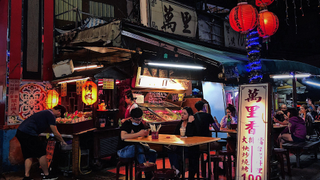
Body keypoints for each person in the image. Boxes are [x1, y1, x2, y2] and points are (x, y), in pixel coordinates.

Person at [15, 105, 67, 180]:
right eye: (59, 115)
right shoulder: (51, 115)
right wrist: (62, 141)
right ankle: (47, 175)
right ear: (59, 111)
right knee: (41, 154)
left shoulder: (46, 112)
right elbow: (55, 132)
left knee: (28, 155)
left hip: (21, 132)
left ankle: (27, 176)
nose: (58, 117)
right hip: (29, 133)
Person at [117, 108, 157, 179]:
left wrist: (145, 134)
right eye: (137, 120)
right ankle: (147, 174)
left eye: (140, 119)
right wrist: (138, 133)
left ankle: (149, 171)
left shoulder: (140, 124)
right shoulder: (127, 124)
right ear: (132, 118)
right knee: (139, 149)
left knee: (153, 153)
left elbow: (141, 134)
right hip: (123, 150)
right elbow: (123, 136)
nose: (139, 122)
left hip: (137, 148)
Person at [167, 107, 198, 179]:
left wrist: (189, 123)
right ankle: (176, 169)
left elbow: (190, 135)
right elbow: (175, 134)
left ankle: (179, 170)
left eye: (185, 114)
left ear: (190, 115)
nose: (182, 115)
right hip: (180, 145)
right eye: (181, 113)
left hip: (191, 146)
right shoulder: (180, 123)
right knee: (170, 150)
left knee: (184, 152)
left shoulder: (193, 124)